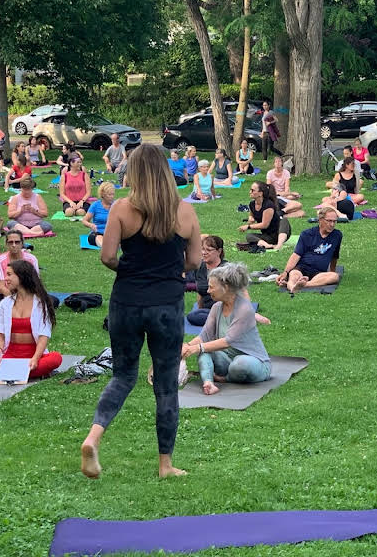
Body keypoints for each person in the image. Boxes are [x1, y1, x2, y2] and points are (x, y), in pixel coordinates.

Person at [80, 143, 202, 480]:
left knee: (123, 376)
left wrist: (130, 269)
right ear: (165, 170)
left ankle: (93, 438)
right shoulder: (185, 211)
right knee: (165, 387)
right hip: (167, 303)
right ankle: (165, 465)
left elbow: (106, 257)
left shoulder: (121, 208)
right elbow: (194, 261)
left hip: (127, 302)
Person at [182, 263, 271, 395]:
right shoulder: (216, 307)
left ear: (226, 287)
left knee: (239, 364)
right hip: (227, 360)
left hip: (255, 362)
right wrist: (187, 346)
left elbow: (228, 341)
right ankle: (208, 383)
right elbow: (204, 336)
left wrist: (197, 347)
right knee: (205, 351)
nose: (208, 291)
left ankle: (225, 379)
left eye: (212, 287)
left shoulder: (244, 309)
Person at [0, 260, 62, 380]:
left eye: (9, 274)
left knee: (55, 358)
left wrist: (36, 359)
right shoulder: (5, 304)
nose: (6, 278)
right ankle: (20, 372)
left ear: (21, 276)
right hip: (9, 356)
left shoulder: (41, 303)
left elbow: (44, 336)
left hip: (33, 357)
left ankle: (7, 373)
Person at [277, 208, 342, 293]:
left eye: (334, 221)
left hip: (319, 273)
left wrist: (332, 271)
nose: (332, 224)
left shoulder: (337, 235)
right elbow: (296, 255)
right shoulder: (307, 234)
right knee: (294, 275)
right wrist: (286, 272)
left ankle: (304, 284)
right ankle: (293, 287)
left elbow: (334, 256)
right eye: (329, 221)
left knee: (334, 277)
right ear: (320, 220)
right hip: (302, 268)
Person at [186, 235, 227, 327]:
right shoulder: (200, 267)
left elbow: (239, 292)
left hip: (224, 310)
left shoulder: (225, 269)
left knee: (193, 317)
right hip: (207, 310)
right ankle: (220, 321)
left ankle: (227, 319)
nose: (204, 253)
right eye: (203, 249)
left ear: (219, 251)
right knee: (193, 316)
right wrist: (199, 309)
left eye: (208, 250)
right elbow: (200, 292)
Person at [240, 181, 291, 248]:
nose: (250, 192)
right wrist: (250, 218)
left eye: (253, 190)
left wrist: (248, 226)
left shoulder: (268, 205)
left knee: (284, 220)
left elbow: (264, 225)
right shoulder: (252, 204)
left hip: (279, 232)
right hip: (267, 236)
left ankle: (279, 245)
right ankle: (267, 245)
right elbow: (251, 215)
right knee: (249, 236)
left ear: (260, 193)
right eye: (250, 190)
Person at [83, 181, 116, 247]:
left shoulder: (116, 205)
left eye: (113, 194)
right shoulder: (95, 205)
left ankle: (111, 245)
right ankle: (106, 246)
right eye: (109, 195)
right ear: (103, 195)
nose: (112, 197)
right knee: (99, 238)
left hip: (112, 233)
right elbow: (84, 221)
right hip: (97, 233)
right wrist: (91, 225)